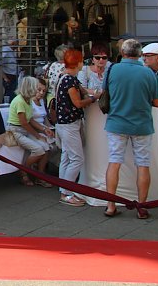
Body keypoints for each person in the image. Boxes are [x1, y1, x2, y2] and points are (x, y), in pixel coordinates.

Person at [103, 39, 158, 218]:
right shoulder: (148, 73)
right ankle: (141, 207)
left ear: (122, 51)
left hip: (116, 122)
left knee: (114, 162)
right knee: (143, 165)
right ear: (139, 54)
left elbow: (105, 92)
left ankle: (110, 205)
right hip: (141, 124)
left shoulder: (112, 69)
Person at [55, 48, 99, 207]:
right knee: (77, 158)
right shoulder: (70, 80)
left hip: (63, 123)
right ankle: (67, 193)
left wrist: (92, 94)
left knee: (67, 157)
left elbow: (81, 92)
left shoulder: (64, 77)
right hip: (69, 124)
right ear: (77, 62)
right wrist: (94, 98)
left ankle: (64, 189)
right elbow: (78, 103)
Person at [7, 76, 54, 188]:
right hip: (17, 131)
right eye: (36, 88)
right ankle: (23, 171)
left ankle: (39, 176)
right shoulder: (20, 101)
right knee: (39, 150)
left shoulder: (27, 100)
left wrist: (44, 129)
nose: (38, 91)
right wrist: (38, 135)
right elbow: (25, 123)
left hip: (23, 130)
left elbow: (30, 120)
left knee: (46, 147)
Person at [140, 42, 158, 187]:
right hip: (152, 118)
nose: (144, 59)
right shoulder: (147, 70)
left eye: (148, 56)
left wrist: (147, 77)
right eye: (143, 56)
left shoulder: (151, 72)